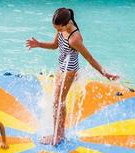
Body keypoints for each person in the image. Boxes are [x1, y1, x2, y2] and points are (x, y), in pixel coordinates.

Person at [26, 7, 119, 145]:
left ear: (66, 23)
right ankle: (59, 132)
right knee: (57, 101)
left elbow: (90, 58)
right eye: (56, 29)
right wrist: (39, 44)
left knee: (58, 102)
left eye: (58, 29)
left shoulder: (75, 39)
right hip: (61, 66)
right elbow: (54, 46)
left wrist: (105, 74)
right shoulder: (62, 28)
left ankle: (58, 135)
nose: (57, 31)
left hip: (69, 70)